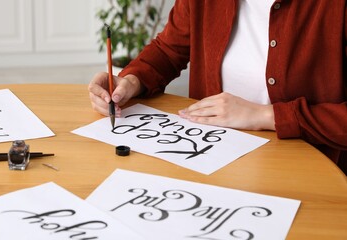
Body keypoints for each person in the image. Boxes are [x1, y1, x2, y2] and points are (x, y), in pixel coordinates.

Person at [88, 0, 347, 174]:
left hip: (311, 169)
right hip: (210, 158)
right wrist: (132, 81)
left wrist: (267, 116)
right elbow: (168, 50)